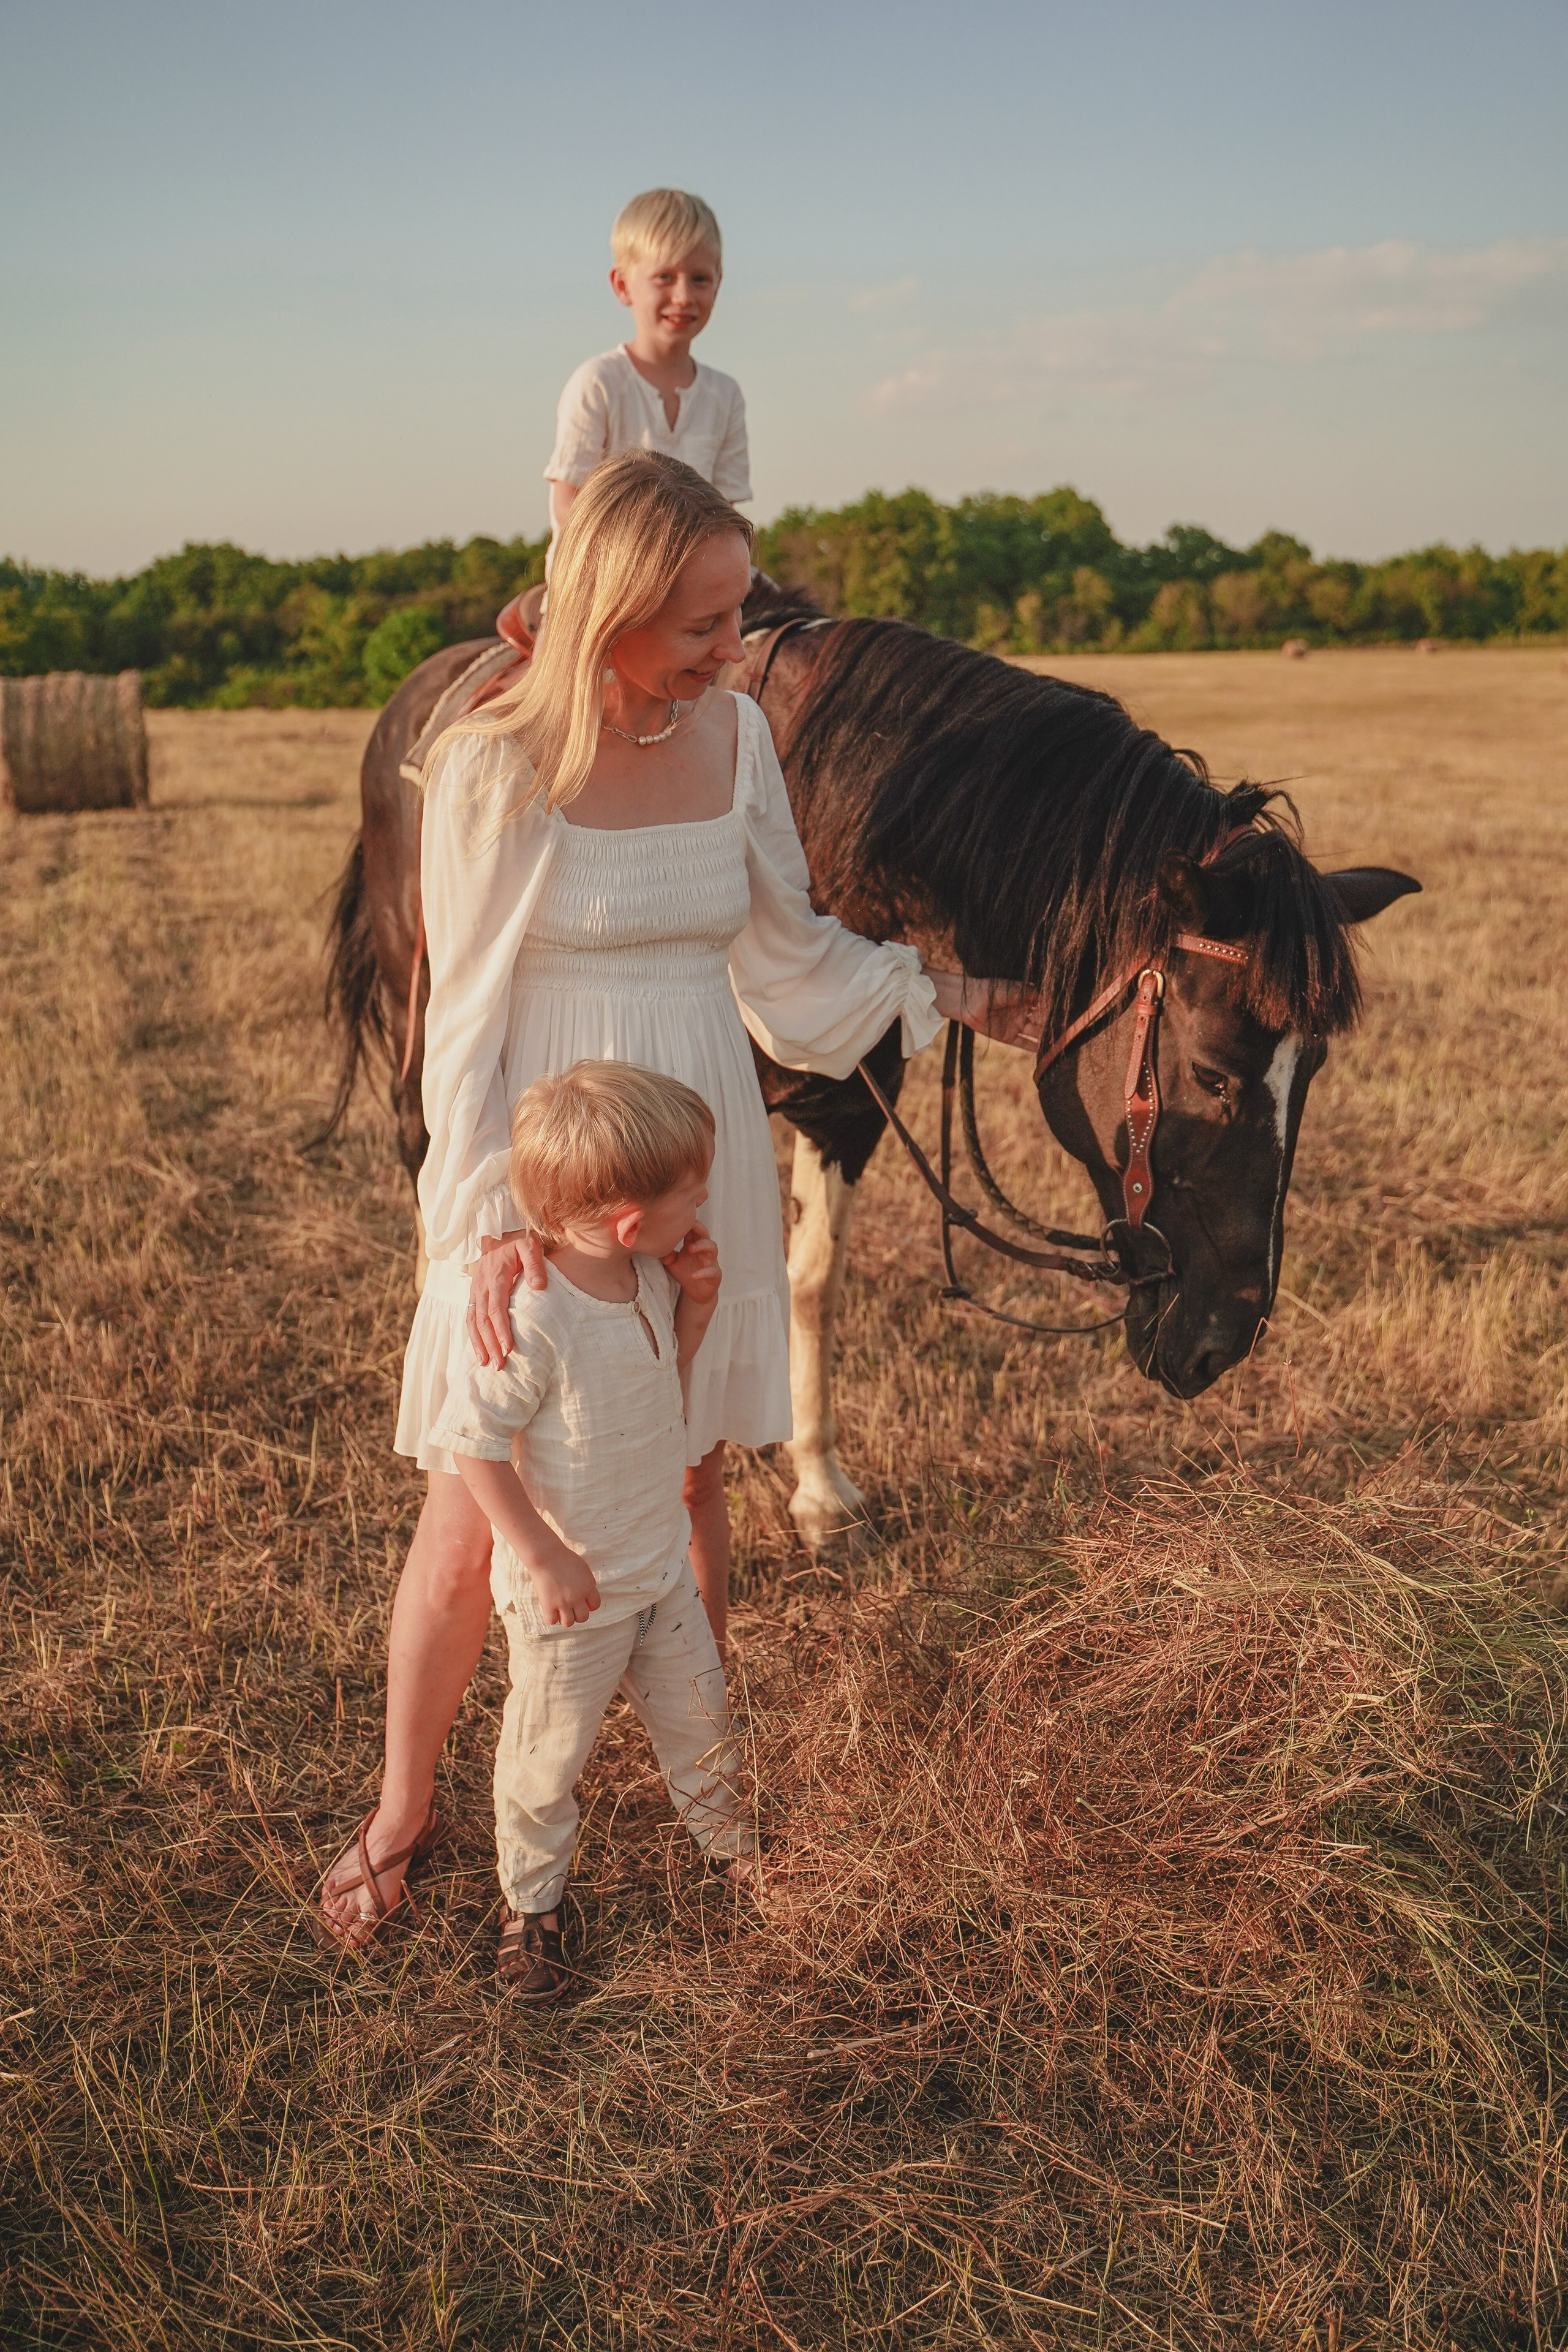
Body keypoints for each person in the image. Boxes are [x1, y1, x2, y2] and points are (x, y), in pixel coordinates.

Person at [317, 448, 1023, 1947]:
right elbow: (465, 1024)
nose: (730, 648)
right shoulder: (498, 757)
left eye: (734, 614)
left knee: (693, 1466)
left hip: (697, 1142)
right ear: (616, 605)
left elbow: (785, 965)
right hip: (553, 1160)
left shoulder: (738, 744)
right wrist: (484, 1226)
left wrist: (949, 994)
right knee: (472, 1504)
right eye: (703, 621)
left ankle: (711, 1781)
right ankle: (404, 1804)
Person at [430, 1060, 747, 1998]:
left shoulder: (646, 1280)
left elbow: (667, 1379)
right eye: (693, 1193)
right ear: (625, 1222)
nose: (704, 1206)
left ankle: (734, 1853)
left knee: (703, 1720)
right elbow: (473, 1444)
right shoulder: (535, 1321)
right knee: (545, 1759)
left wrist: (696, 1303)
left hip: (660, 1576)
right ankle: (532, 1909)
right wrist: (542, 1554)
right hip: (571, 1605)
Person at [544, 188, 748, 574]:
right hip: (601, 583)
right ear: (622, 285)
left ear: (719, 282)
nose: (684, 296)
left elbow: (726, 514)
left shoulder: (725, 396)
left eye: (700, 278)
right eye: (665, 277)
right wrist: (637, 571)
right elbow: (568, 502)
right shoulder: (598, 383)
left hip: (693, 582)